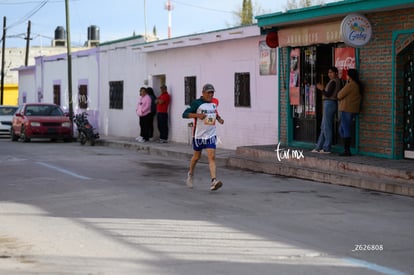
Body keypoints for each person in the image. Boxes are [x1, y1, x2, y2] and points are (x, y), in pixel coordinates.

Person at [182, 83, 224, 191]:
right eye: (208, 92)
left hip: (211, 134)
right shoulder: (197, 103)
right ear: (203, 93)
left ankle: (213, 181)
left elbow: (214, 111)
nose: (210, 95)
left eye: (212, 92)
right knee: (196, 157)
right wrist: (198, 115)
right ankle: (190, 174)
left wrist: (219, 118)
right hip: (199, 135)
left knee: (212, 157)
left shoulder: (215, 102)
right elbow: (185, 114)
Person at [312, 66, 342, 154]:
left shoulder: (334, 81)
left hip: (330, 103)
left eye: (331, 72)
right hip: (330, 103)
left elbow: (328, 94)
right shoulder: (336, 81)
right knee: (324, 126)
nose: (329, 74)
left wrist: (322, 89)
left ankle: (327, 147)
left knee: (327, 126)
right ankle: (319, 147)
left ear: (336, 73)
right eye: (329, 72)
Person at [337, 68, 362, 156]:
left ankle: (347, 150)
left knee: (345, 129)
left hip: (347, 109)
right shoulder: (356, 85)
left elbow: (339, 95)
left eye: (347, 75)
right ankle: (346, 149)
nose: (346, 76)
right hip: (351, 109)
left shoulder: (351, 85)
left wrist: (346, 85)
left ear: (350, 76)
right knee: (341, 129)